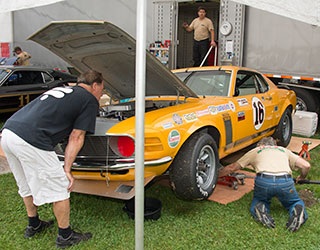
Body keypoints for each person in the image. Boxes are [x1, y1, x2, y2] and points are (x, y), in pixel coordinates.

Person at [1, 70, 104, 248]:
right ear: (95, 85)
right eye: (102, 89)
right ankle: (65, 236)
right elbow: (76, 137)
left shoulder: (63, 90)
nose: (102, 94)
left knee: (25, 183)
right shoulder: (89, 100)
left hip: (9, 133)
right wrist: (67, 169)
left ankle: (34, 225)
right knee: (60, 187)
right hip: (31, 139)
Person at [218, 137, 311, 232]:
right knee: (293, 202)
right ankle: (298, 211)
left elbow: (232, 168)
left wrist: (215, 176)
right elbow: (306, 165)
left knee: (260, 199)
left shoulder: (256, 150)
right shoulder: (284, 150)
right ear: (274, 145)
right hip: (285, 181)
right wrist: (302, 178)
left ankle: (260, 207)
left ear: (260, 145)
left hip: (264, 181)